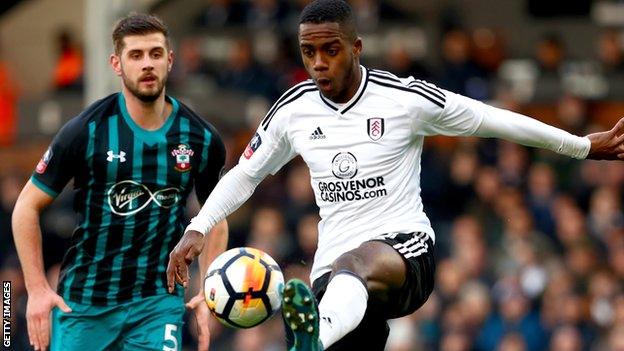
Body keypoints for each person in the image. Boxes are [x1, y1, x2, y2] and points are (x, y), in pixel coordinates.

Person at [166, 1, 624, 350]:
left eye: (331, 49)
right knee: (343, 276)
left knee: (355, 267)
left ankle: (314, 338)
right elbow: (244, 175)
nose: (319, 63)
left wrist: (581, 145)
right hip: (336, 278)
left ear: (356, 47)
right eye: (309, 52)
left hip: (404, 255)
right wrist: (197, 227)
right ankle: (320, 334)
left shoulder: (403, 99)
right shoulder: (293, 111)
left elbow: (493, 119)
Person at [12, 13, 227, 351]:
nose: (147, 64)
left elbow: (215, 216)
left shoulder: (200, 138)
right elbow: (25, 207)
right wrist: (37, 289)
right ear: (116, 63)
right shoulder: (86, 130)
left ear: (170, 60)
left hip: (158, 302)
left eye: (155, 54)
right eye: (135, 55)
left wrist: (208, 289)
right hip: (84, 304)